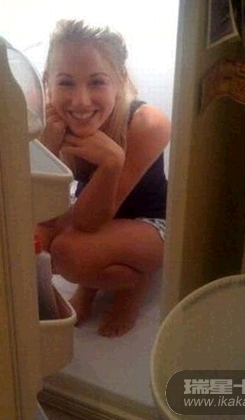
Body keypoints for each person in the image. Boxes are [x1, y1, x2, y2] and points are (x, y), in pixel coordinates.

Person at [36, 20, 171, 338]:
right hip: (94, 210)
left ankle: (132, 285)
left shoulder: (147, 122)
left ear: (120, 81)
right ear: (47, 83)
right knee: (27, 239)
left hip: (150, 223)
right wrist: (48, 147)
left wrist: (112, 163)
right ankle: (90, 284)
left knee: (69, 253)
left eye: (97, 82)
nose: (81, 101)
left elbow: (87, 223)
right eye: (66, 83)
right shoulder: (52, 122)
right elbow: (42, 212)